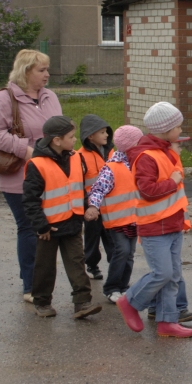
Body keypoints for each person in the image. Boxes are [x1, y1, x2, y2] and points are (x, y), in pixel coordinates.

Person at [0, 49, 63, 303]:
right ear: (25, 71)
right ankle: (30, 285)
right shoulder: (4, 99)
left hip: (51, 172)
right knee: (29, 228)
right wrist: (27, 151)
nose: (47, 75)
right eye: (41, 70)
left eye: (47, 70)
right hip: (20, 174)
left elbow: (61, 127)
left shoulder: (50, 96)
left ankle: (41, 281)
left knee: (50, 226)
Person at [114, 102, 192, 339]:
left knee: (171, 276)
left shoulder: (164, 151)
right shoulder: (146, 156)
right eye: (178, 127)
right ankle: (129, 301)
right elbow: (147, 190)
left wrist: (183, 221)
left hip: (171, 225)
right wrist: (173, 180)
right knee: (162, 274)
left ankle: (167, 322)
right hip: (154, 227)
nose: (180, 131)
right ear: (166, 129)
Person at [22, 116, 102, 320]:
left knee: (77, 263)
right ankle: (42, 302)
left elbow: (78, 189)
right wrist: (41, 226)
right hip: (49, 228)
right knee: (45, 267)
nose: (74, 140)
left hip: (73, 222)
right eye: (70, 137)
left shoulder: (76, 158)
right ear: (56, 140)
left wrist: (88, 207)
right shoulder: (36, 164)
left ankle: (82, 303)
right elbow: (30, 200)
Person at [86, 125, 141, 303]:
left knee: (129, 253)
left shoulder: (138, 163)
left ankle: (123, 287)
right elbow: (97, 189)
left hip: (134, 220)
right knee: (122, 251)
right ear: (131, 145)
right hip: (117, 222)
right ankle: (111, 288)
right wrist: (93, 206)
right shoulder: (111, 167)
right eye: (139, 142)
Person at [77, 114, 114, 280]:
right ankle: (92, 265)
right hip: (91, 205)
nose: (106, 135)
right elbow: (78, 183)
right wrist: (87, 204)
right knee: (92, 236)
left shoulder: (111, 152)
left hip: (111, 204)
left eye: (107, 132)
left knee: (111, 238)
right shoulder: (80, 157)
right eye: (102, 132)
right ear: (90, 136)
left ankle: (114, 265)